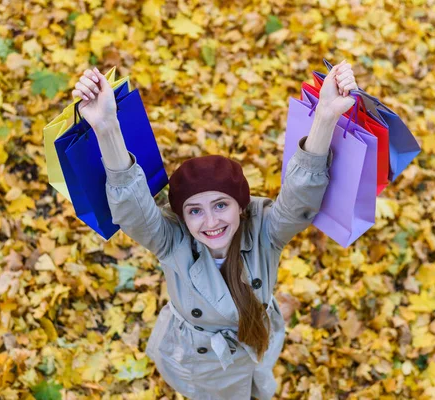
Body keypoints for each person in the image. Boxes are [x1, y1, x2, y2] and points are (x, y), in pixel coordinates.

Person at [71, 61, 359, 399]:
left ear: (241, 205)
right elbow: (133, 209)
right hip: (200, 357)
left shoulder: (265, 231)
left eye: (220, 205)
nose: (210, 223)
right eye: (195, 211)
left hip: (255, 341)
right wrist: (106, 126)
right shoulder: (172, 242)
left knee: (255, 386)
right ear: (181, 216)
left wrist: (325, 116)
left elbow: (299, 198)